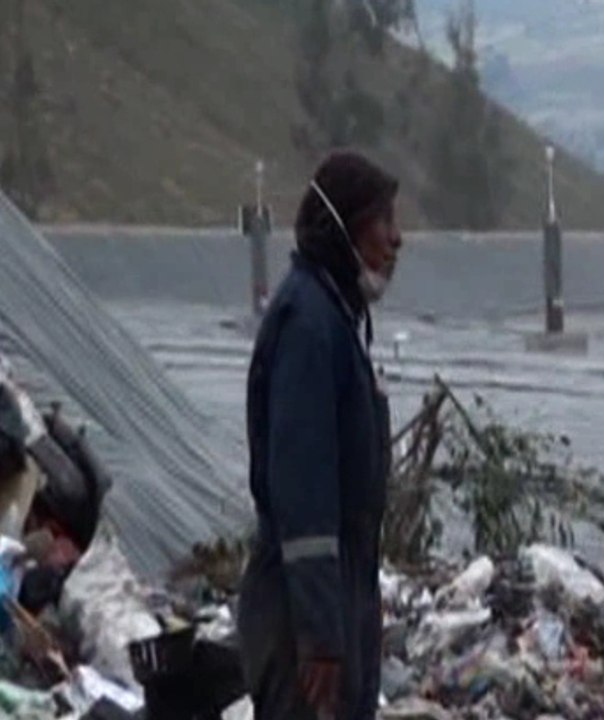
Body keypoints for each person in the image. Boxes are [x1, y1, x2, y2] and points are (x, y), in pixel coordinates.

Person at [238, 151, 402, 720]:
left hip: (335, 598)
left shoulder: (333, 318)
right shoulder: (308, 327)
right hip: (297, 610)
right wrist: (320, 637)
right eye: (383, 222)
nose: (396, 240)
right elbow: (303, 498)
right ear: (343, 229)